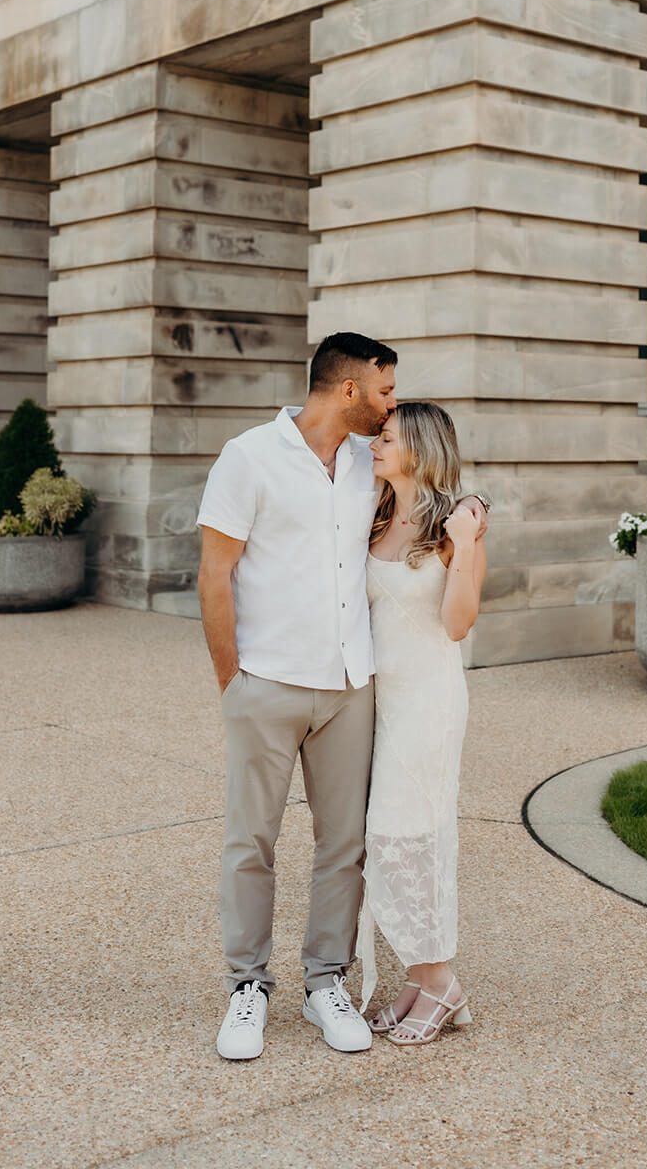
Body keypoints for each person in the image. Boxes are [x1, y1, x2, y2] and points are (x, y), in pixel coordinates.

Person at [196, 333, 487, 1062]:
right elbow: (213, 575)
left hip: (354, 690)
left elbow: (439, 487)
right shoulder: (248, 456)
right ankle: (247, 989)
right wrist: (232, 681)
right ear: (350, 390)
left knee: (344, 847)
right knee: (250, 842)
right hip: (266, 681)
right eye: (386, 393)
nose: (394, 407)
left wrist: (474, 517)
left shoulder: (369, 461)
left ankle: (325, 981)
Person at [357, 401, 486, 1046]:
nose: (374, 445)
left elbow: (459, 625)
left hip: (429, 702)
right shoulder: (375, 514)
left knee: (412, 837)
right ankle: (420, 974)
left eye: (384, 437)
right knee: (386, 839)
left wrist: (464, 546)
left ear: (419, 447)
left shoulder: (458, 526)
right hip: (379, 703)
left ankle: (441, 982)